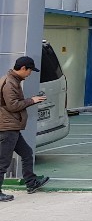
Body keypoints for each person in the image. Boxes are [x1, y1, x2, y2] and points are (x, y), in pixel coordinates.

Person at [0, 56, 50, 202]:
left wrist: (31, 100)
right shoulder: (9, 83)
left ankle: (31, 183)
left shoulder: (13, 80)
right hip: (7, 128)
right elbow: (13, 106)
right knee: (3, 162)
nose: (29, 74)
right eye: (29, 70)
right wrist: (31, 100)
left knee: (27, 153)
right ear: (23, 68)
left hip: (12, 127)